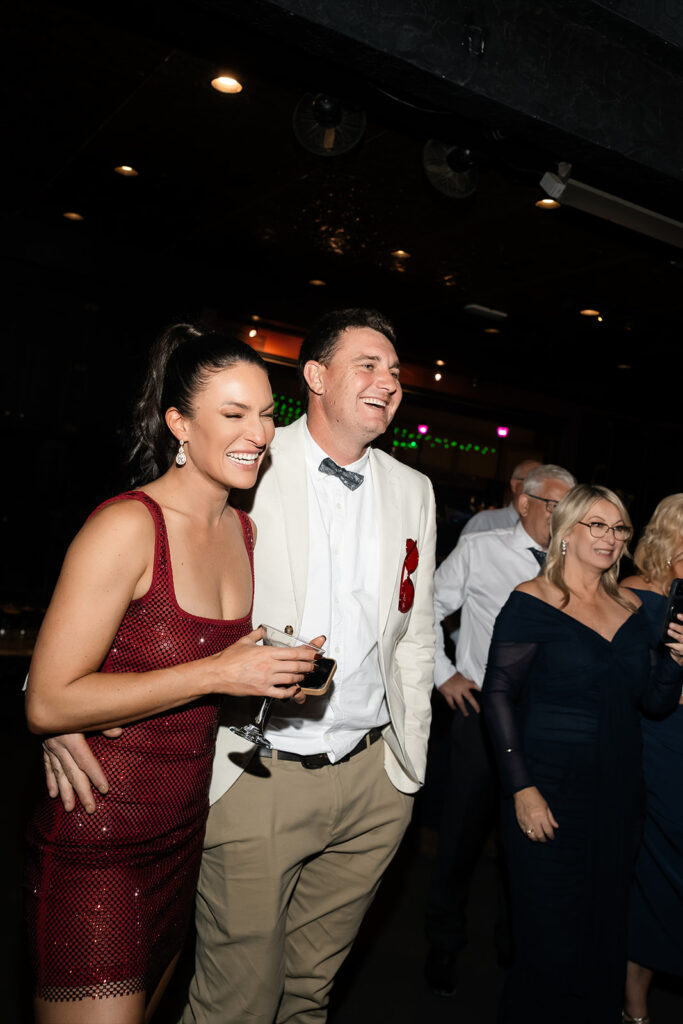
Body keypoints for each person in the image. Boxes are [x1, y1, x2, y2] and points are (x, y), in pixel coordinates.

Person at [40, 308, 437, 1024]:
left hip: (361, 778)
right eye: (367, 364)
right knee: (235, 1002)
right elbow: (104, 618)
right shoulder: (245, 468)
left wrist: (407, 768)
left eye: (396, 371)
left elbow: (415, 635)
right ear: (313, 377)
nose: (388, 381)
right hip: (237, 778)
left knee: (308, 994)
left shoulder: (398, 494)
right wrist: (53, 703)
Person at [24, 324, 322, 1024]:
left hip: (182, 833)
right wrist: (217, 669)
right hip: (98, 835)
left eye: (265, 413)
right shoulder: (127, 527)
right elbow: (48, 700)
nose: (259, 432)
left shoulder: (241, 531)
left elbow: (174, 672)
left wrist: (264, 673)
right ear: (179, 424)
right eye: (233, 414)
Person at [481, 484, 683, 1024]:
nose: (610, 537)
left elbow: (654, 701)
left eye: (618, 528)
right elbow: (497, 696)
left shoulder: (634, 606)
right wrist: (520, 789)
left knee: (602, 940)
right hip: (546, 789)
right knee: (548, 944)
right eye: (596, 524)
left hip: (617, 797)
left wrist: (677, 660)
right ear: (566, 531)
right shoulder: (533, 598)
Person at [424, 464, 575, 994]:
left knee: (533, 843)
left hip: (548, 725)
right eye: (558, 504)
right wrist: (444, 676)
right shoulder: (482, 550)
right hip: (482, 717)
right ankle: (443, 948)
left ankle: (519, 946)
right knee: (461, 840)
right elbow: (426, 610)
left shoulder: (575, 563)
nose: (566, 515)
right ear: (527, 503)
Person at [621, 494, 683, 1024]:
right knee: (655, 871)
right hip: (658, 743)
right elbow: (635, 687)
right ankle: (634, 1004)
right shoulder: (632, 598)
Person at [460, 459, 541, 536]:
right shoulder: (485, 522)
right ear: (515, 485)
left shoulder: (545, 529)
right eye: (532, 480)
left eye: (543, 484)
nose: (539, 487)